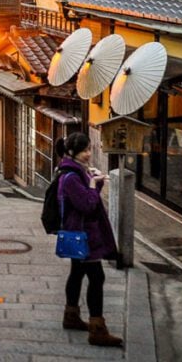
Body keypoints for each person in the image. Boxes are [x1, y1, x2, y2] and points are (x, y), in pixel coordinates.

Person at [55, 131, 123, 347]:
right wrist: (93, 185)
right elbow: (87, 205)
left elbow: (87, 200)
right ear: (72, 152)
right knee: (97, 278)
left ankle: (71, 315)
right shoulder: (71, 177)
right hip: (85, 235)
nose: (88, 154)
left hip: (80, 232)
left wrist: (95, 181)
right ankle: (97, 329)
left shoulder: (75, 173)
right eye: (84, 150)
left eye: (89, 149)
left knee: (76, 273)